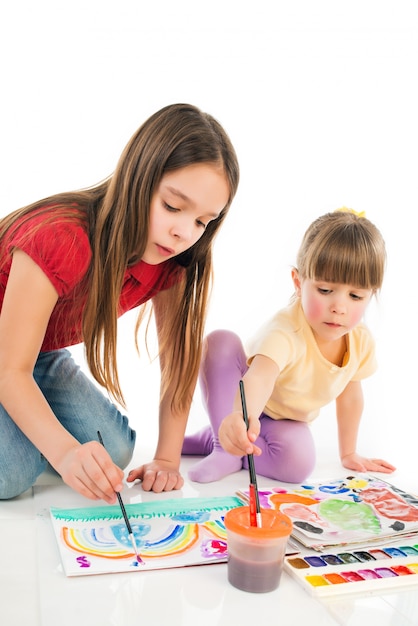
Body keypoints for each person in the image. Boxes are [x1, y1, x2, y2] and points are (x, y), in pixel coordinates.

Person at [0, 103, 239, 503]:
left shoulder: (173, 259)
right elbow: (10, 369)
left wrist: (166, 459)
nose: (184, 232)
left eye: (202, 222)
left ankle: (26, 423)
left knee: (115, 451)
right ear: (138, 178)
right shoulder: (60, 237)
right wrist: (63, 452)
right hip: (11, 358)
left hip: (35, 352)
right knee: (13, 473)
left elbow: (176, 363)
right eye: (172, 207)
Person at [182, 209, 396, 483]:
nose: (339, 308)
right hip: (242, 401)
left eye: (355, 296)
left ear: (371, 295)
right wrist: (240, 416)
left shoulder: (360, 341)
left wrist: (349, 453)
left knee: (298, 465)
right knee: (219, 343)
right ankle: (225, 445)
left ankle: (219, 441)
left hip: (284, 422)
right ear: (298, 282)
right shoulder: (286, 331)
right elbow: (259, 378)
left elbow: (350, 397)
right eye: (325, 291)